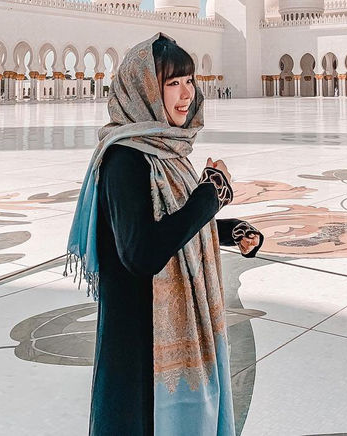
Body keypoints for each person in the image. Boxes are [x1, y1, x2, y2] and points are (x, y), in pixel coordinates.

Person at [66, 33, 263, 436]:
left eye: (189, 80)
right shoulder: (125, 158)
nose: (186, 93)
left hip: (156, 332)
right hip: (141, 343)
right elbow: (142, 252)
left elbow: (173, 224)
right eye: (172, 83)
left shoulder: (169, 151)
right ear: (143, 90)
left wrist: (229, 230)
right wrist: (212, 195)